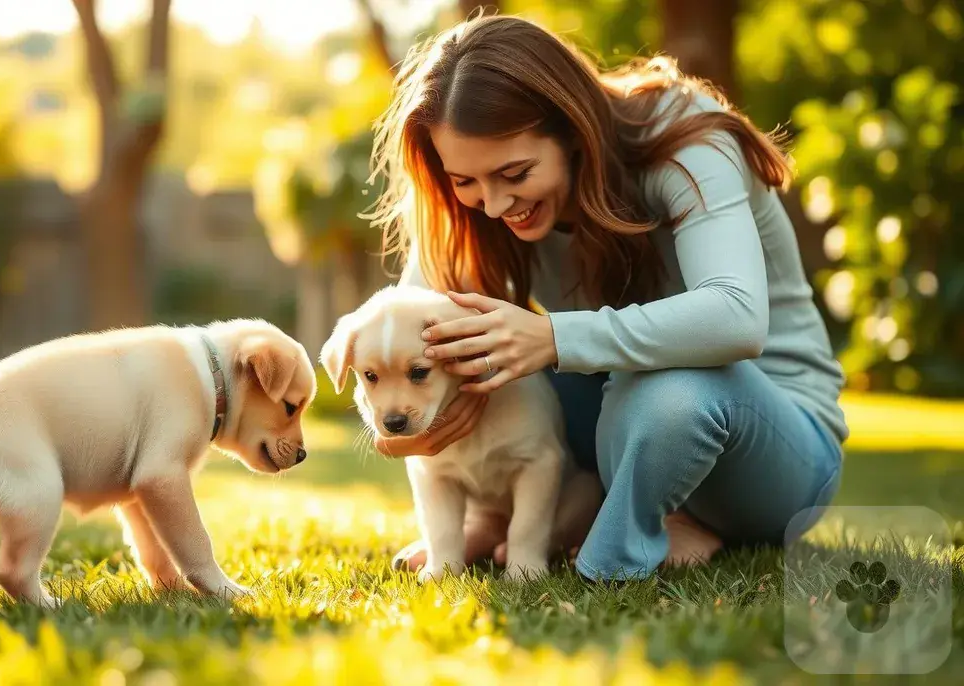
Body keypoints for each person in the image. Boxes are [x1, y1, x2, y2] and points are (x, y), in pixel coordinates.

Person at [362, 14, 848, 583]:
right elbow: (399, 328)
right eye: (465, 182)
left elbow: (736, 315)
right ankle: (501, 522)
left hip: (771, 446)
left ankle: (623, 549)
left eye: (515, 173)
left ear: (573, 129)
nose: (493, 204)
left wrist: (553, 337)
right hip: (620, 422)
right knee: (499, 369)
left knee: (668, 393)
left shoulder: (685, 139)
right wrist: (408, 422)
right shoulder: (478, 210)